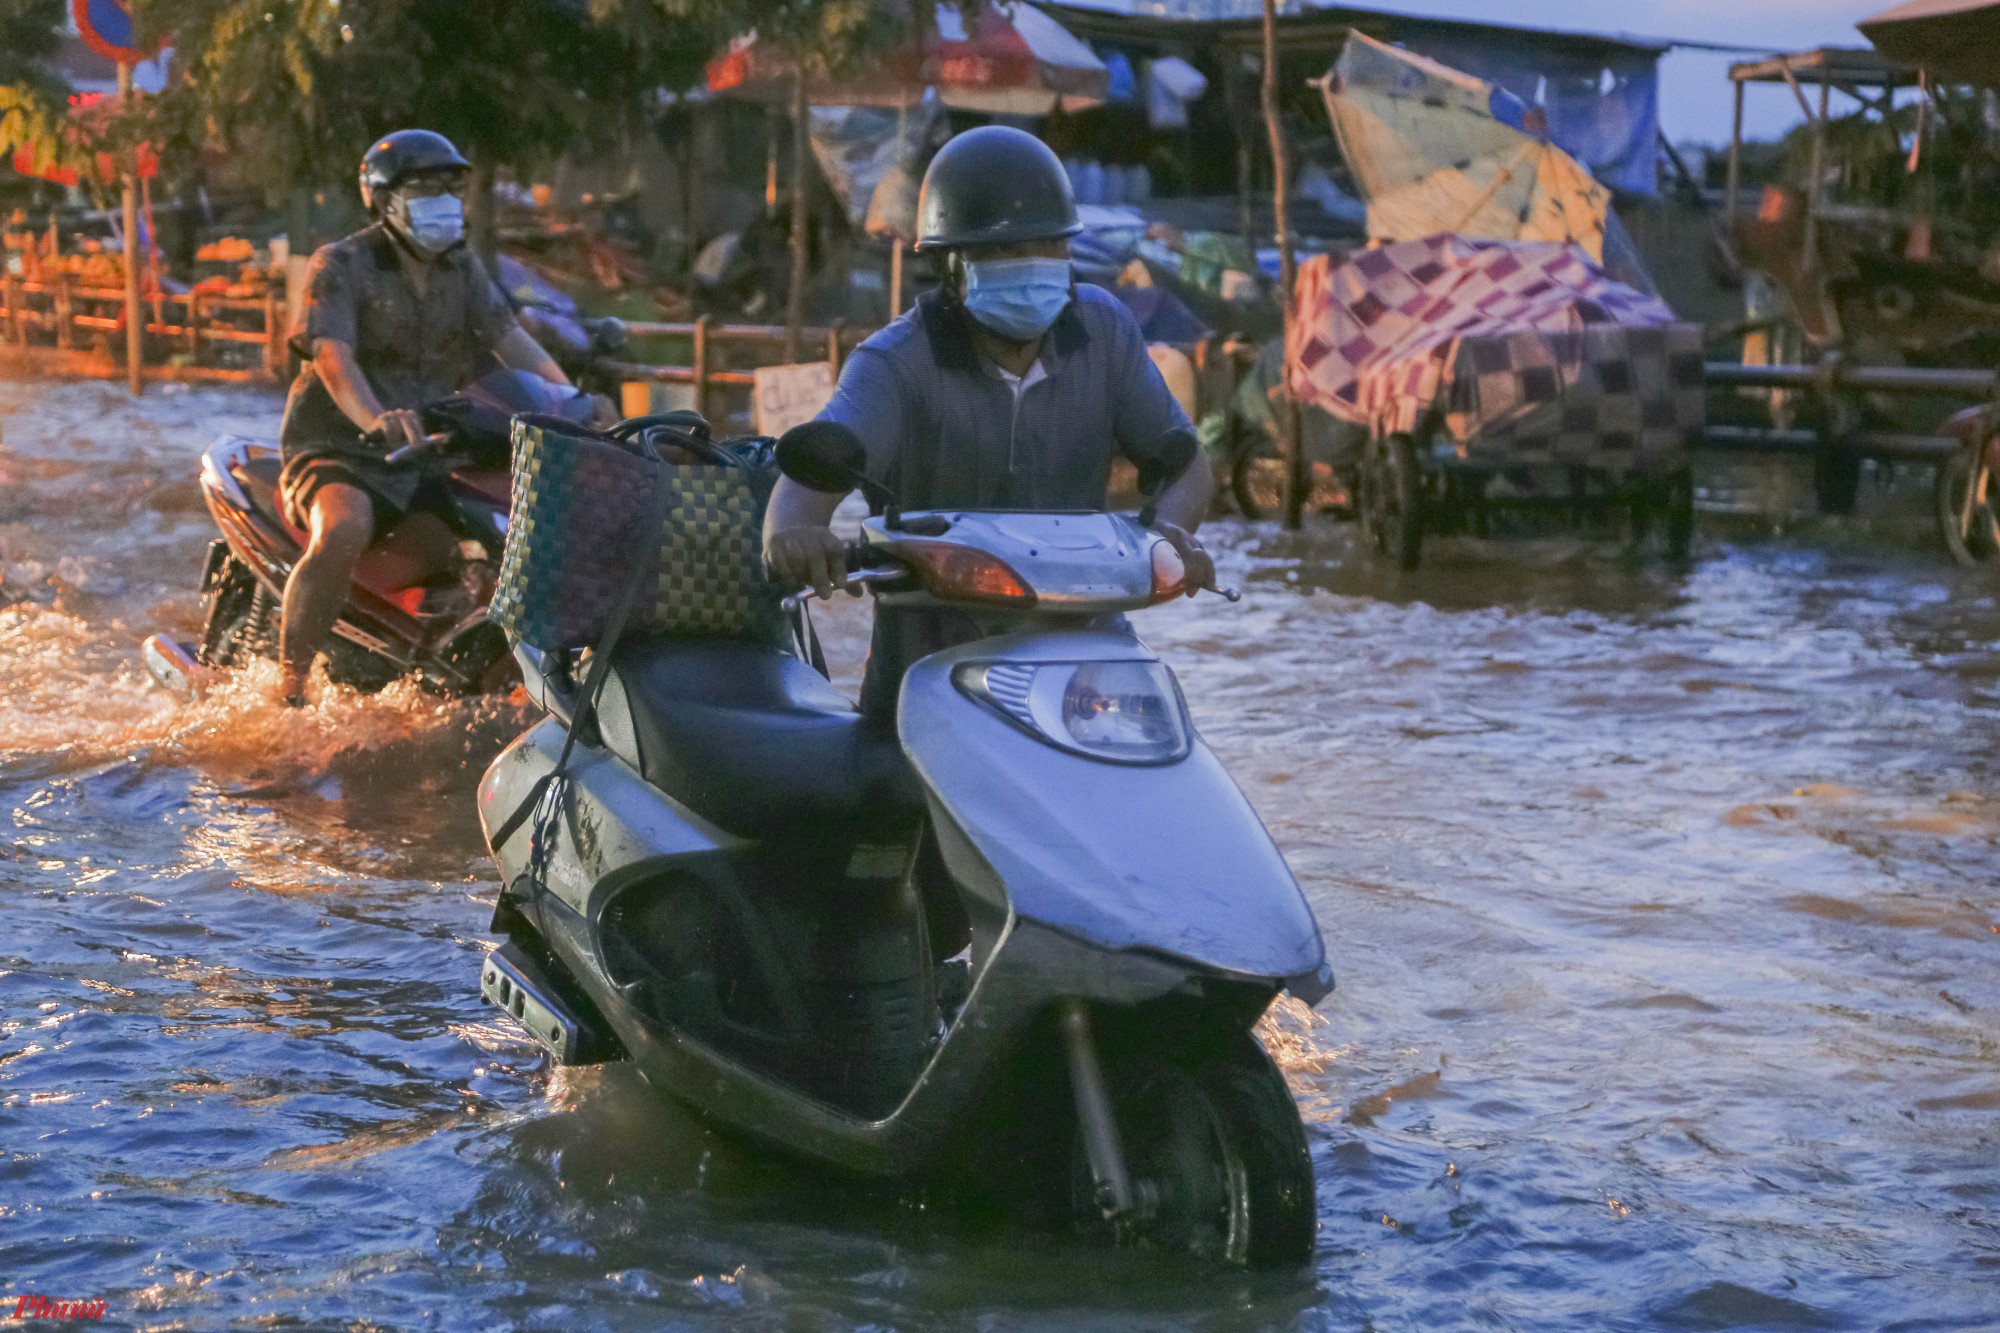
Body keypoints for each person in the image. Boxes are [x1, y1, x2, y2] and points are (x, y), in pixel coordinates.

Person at [763, 125, 1217, 722]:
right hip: (933, 676)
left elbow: (1186, 464)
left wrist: (1172, 533)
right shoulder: (895, 363)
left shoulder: (1105, 334)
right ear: (952, 266)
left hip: (1087, 667)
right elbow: (799, 497)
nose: (1030, 265)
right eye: (1000, 253)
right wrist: (795, 538)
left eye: (1048, 247)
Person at [275, 129, 573, 705]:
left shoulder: (461, 271)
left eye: (450, 186)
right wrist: (375, 417)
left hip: (432, 451)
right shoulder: (340, 264)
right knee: (343, 528)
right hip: (345, 448)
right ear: (385, 199)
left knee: (502, 539)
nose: (442, 198)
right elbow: (334, 360)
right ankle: (291, 686)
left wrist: (573, 404)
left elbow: (512, 341)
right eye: (424, 187)